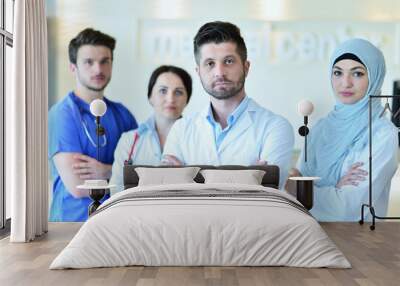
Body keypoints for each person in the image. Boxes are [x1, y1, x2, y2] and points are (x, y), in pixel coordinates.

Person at [162, 21, 294, 187]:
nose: (219, 72)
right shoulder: (181, 129)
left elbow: (266, 194)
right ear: (199, 72)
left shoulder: (275, 127)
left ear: (246, 67)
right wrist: (249, 179)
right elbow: (170, 192)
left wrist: (188, 180)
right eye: (210, 63)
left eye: (229, 61)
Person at [290, 38, 398, 221]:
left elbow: (347, 209)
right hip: (305, 237)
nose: (345, 83)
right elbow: (295, 185)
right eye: (338, 73)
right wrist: (334, 188)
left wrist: (297, 191)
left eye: (357, 74)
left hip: (356, 242)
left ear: (375, 77)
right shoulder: (320, 128)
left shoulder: (383, 134)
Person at [48, 28, 138, 221]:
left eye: (105, 61)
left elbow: (138, 177)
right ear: (73, 67)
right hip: (71, 225)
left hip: (115, 223)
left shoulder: (123, 115)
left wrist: (105, 171)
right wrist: (117, 172)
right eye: (89, 62)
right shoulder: (63, 114)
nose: (98, 69)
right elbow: (78, 186)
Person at [110, 65, 192, 194]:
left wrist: (185, 176)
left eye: (178, 92)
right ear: (150, 97)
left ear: (187, 99)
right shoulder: (129, 140)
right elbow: (116, 190)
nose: (170, 99)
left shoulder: (199, 141)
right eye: (163, 91)